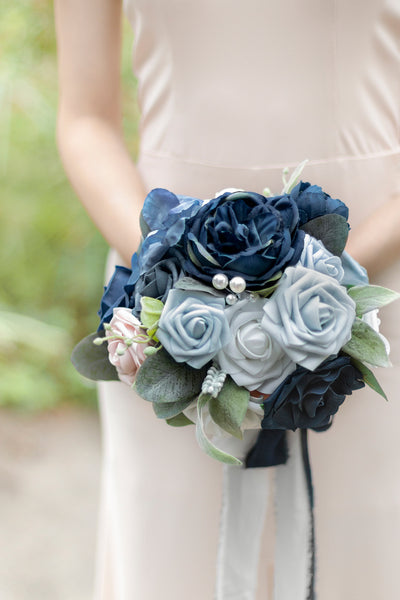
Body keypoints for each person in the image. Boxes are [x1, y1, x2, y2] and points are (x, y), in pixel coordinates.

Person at [55, 1, 400, 598]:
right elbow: (86, 118)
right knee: (176, 561)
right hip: (167, 295)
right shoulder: (169, 280)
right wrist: (175, 266)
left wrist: (331, 278)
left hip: (381, 263)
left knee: (365, 553)